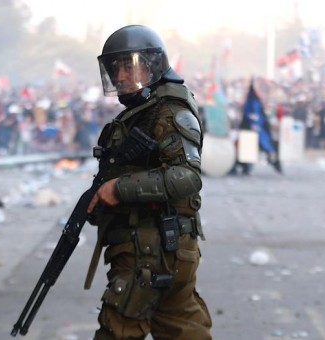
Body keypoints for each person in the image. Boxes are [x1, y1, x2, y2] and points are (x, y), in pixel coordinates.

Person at [85, 25, 212, 339]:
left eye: (129, 65)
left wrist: (119, 189)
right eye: (116, 67)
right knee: (182, 329)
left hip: (151, 249)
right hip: (160, 247)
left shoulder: (167, 111)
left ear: (152, 65)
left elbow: (187, 177)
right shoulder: (143, 112)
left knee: (119, 330)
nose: (121, 75)